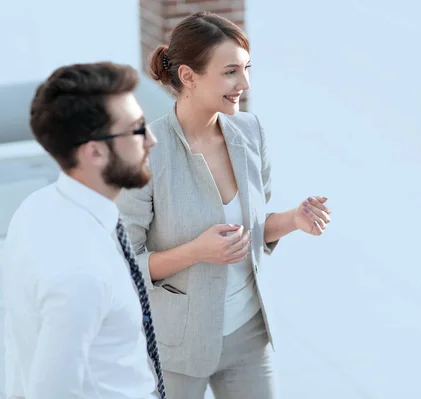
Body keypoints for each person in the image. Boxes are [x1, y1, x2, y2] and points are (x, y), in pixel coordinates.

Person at [115, 11, 331, 399]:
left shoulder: (251, 131)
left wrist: (293, 220)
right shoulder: (147, 153)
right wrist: (197, 252)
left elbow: (251, 228)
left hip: (249, 333)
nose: (244, 83)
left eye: (247, 68)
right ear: (188, 76)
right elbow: (125, 262)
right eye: (231, 71)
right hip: (178, 347)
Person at [2, 62, 165, 399]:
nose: (152, 139)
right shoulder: (82, 276)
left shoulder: (37, 206)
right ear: (95, 152)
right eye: (137, 130)